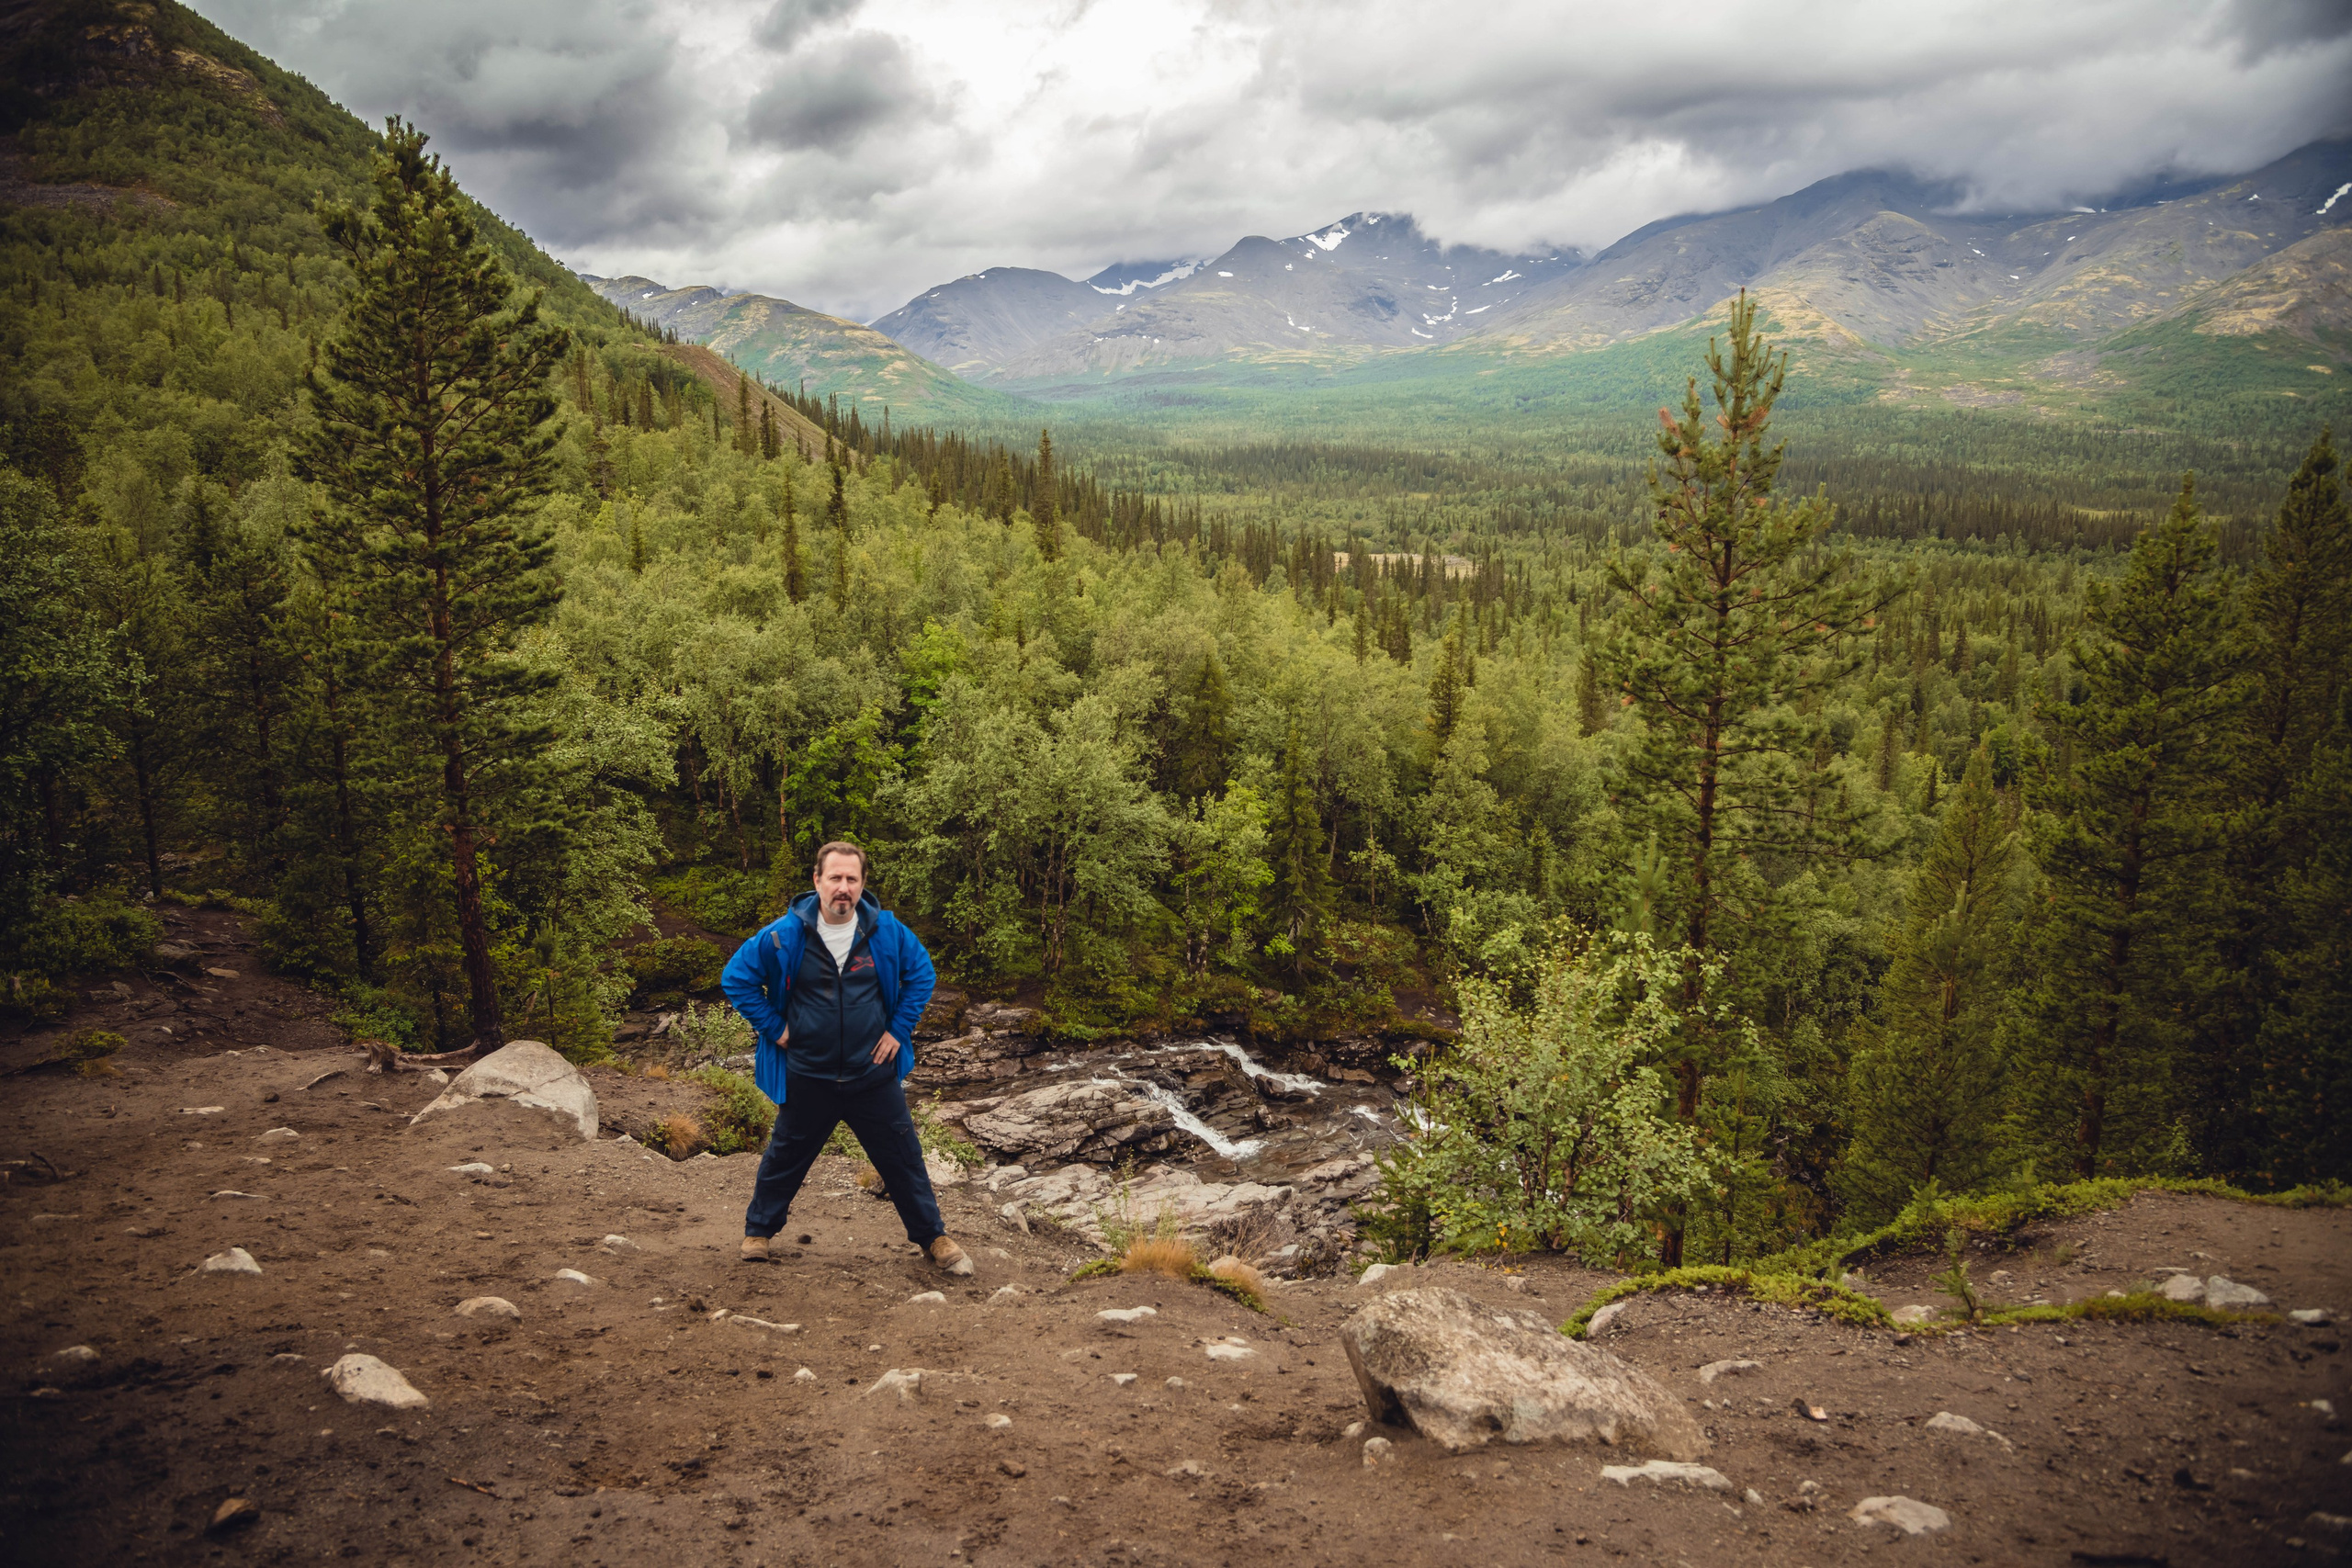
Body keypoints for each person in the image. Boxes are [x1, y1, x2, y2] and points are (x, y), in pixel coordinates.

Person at [718, 840, 972, 1275]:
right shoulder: (783, 934)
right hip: (808, 1074)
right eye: (835, 877)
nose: (843, 887)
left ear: (863, 883)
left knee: (903, 1158)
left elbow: (921, 975)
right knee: (784, 1157)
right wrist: (776, 1029)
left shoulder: (887, 931)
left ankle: (933, 1237)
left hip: (871, 1074)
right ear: (817, 880)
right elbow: (736, 978)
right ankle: (758, 1232)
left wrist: (898, 1030)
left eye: (852, 879)